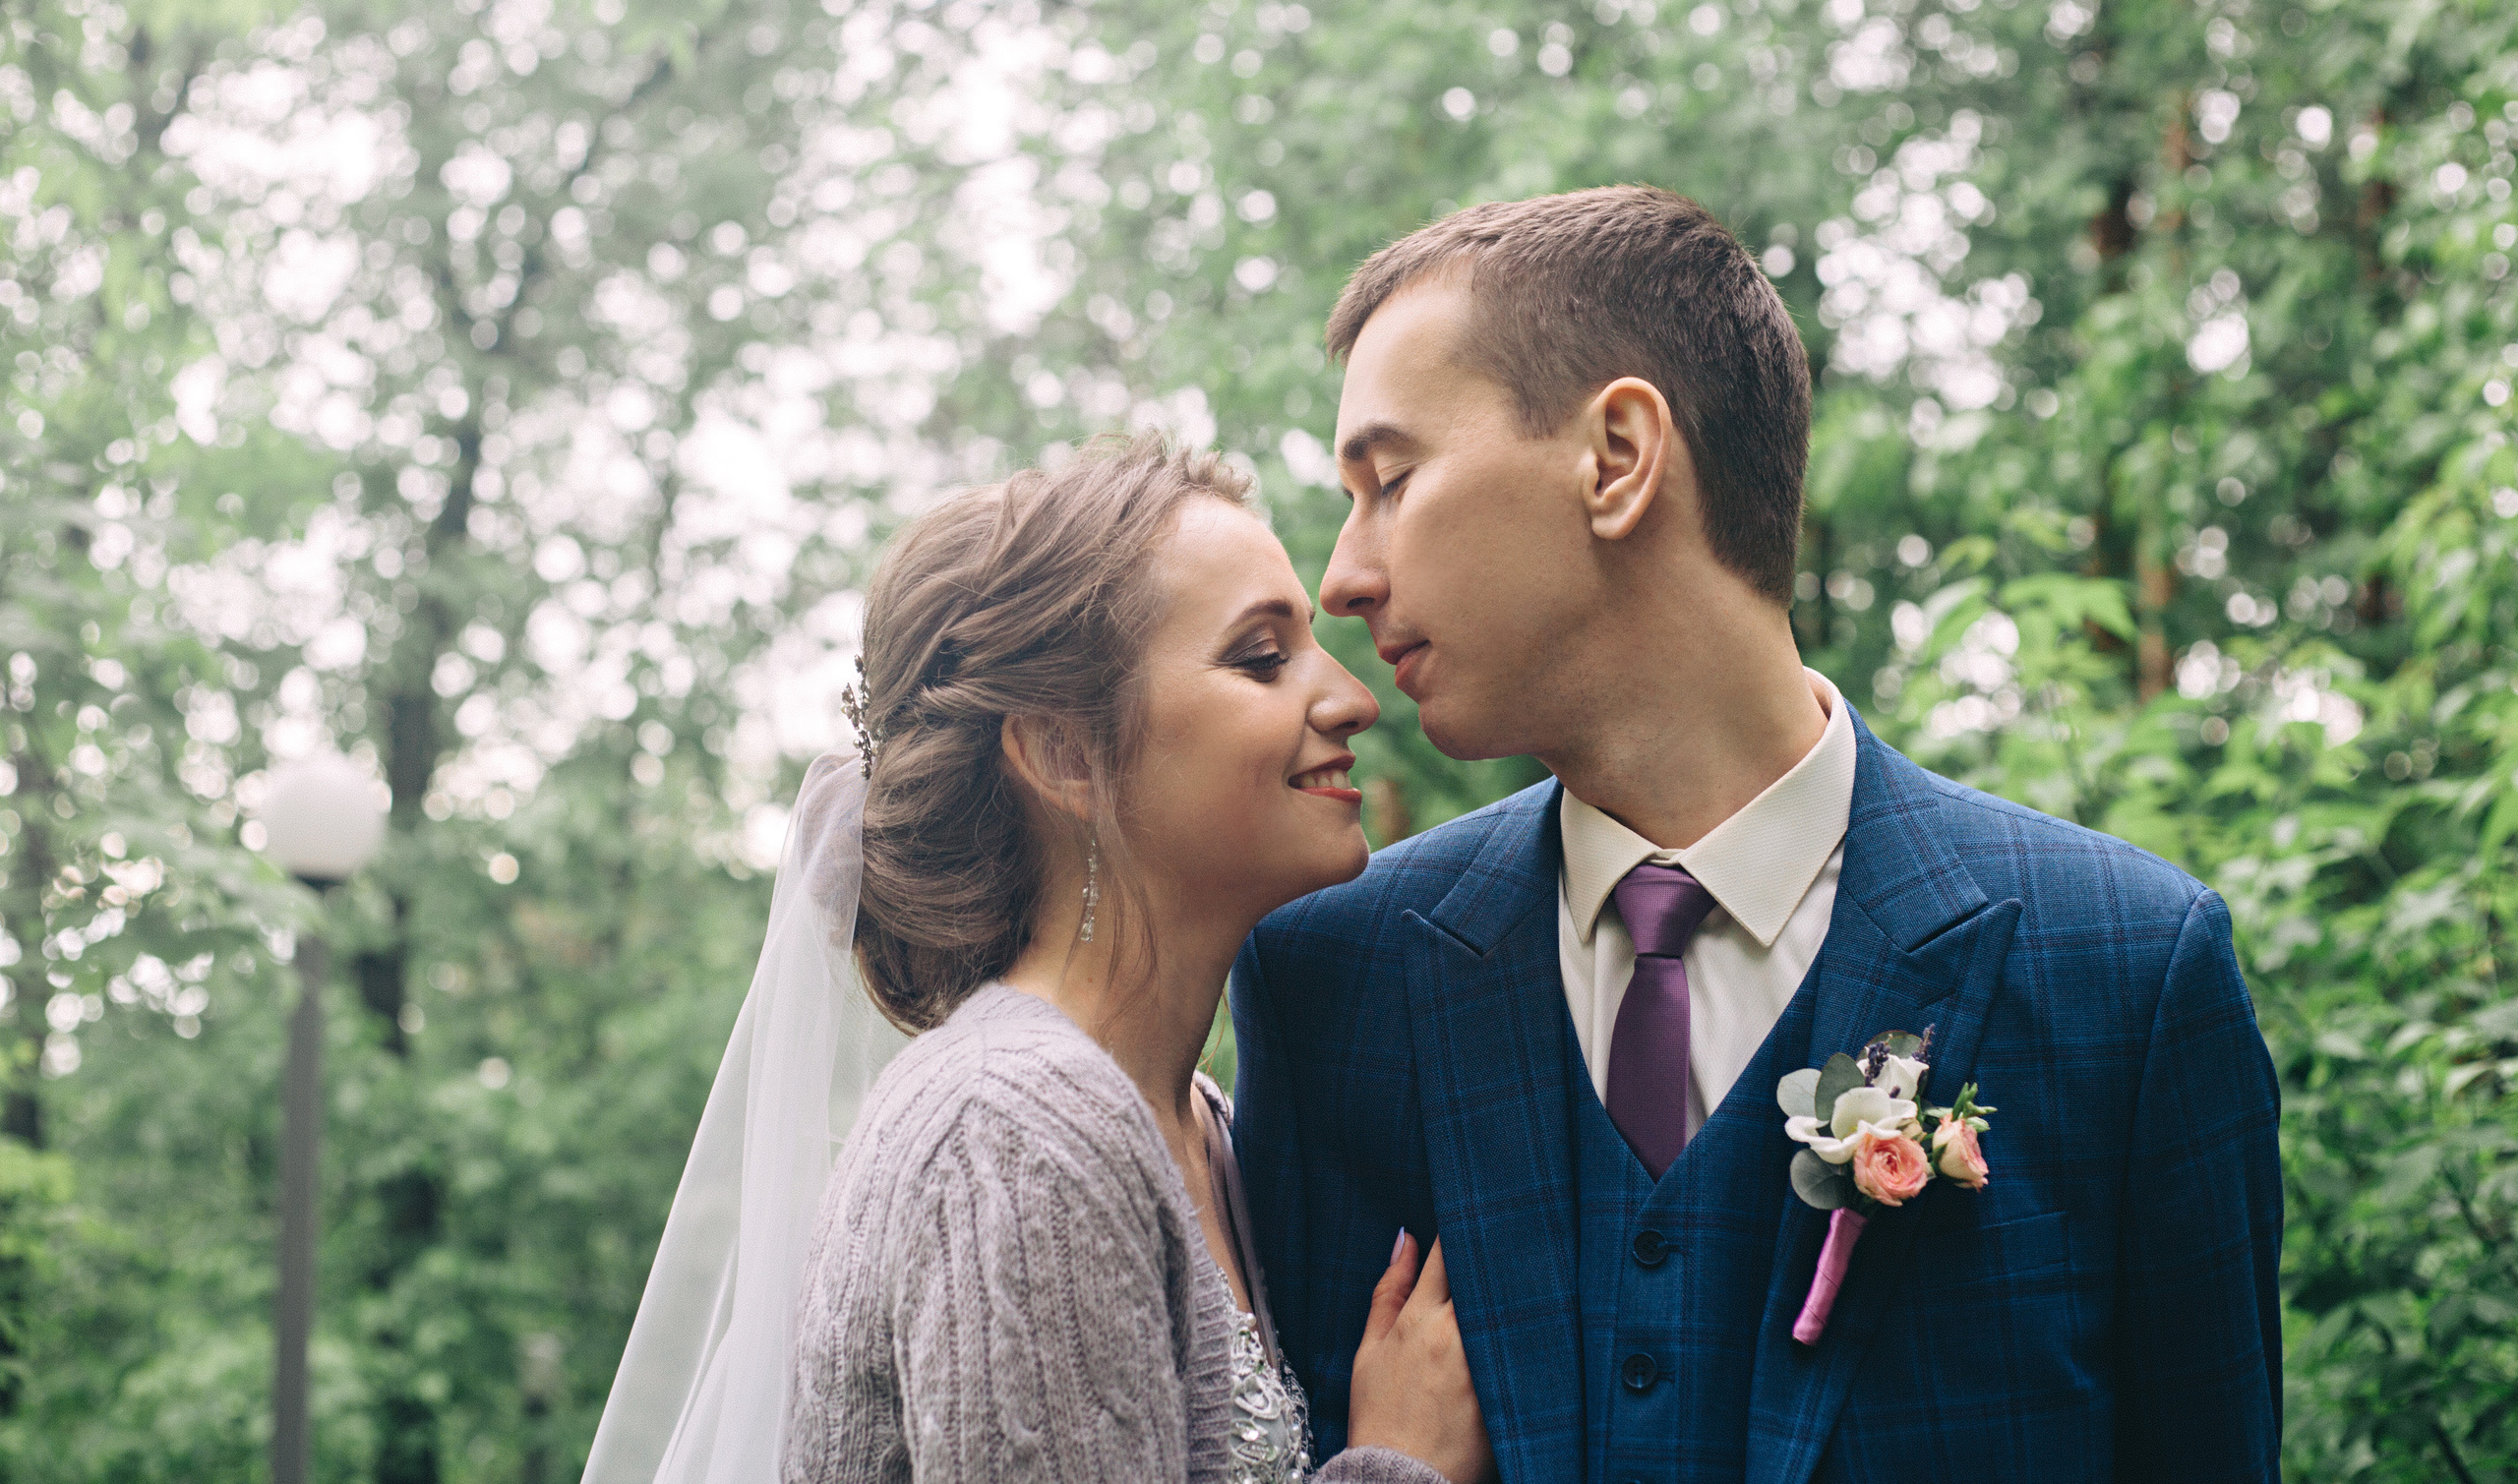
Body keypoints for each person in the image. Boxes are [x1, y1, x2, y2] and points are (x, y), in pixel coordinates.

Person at [1229, 186, 2284, 1483]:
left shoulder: (2126, 967)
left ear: (1617, 456)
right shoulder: (1327, 975)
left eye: (1390, 478)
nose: (1343, 573)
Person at [586, 438, 1493, 1484]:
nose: (1350, 699)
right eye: (1259, 657)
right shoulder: (1016, 1133)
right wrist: (1394, 1464)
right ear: (1064, 755)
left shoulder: (1193, 1115)